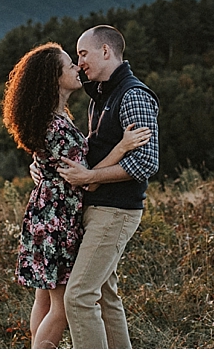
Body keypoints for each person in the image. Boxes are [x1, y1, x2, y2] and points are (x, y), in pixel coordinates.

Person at [3, 42, 150, 349]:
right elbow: (86, 180)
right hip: (58, 216)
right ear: (54, 78)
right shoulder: (57, 126)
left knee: (44, 298)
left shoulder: (52, 118)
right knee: (61, 306)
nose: (77, 67)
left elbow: (63, 167)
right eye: (70, 64)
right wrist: (122, 148)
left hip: (46, 214)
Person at [55, 25, 160, 349]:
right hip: (99, 208)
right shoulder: (100, 97)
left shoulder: (132, 95)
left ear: (105, 51)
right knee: (102, 295)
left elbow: (146, 163)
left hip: (115, 211)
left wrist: (90, 178)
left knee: (79, 296)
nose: (79, 61)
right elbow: (93, 148)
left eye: (83, 54)